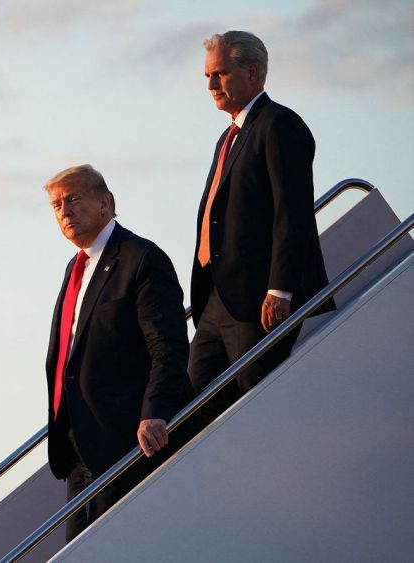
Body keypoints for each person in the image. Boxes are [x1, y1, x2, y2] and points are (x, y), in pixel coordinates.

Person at [189, 31, 334, 422]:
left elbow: (294, 211)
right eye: (207, 76)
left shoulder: (279, 124)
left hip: (257, 298)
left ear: (252, 72)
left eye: (219, 74)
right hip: (215, 297)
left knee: (258, 406)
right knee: (195, 408)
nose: (210, 85)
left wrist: (279, 288)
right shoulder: (228, 136)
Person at [43, 164, 193, 542]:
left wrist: (156, 412)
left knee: (120, 547)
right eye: (57, 206)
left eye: (73, 199)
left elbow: (168, 346)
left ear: (106, 202)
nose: (65, 211)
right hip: (78, 445)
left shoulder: (140, 258)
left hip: (125, 439)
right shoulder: (73, 268)